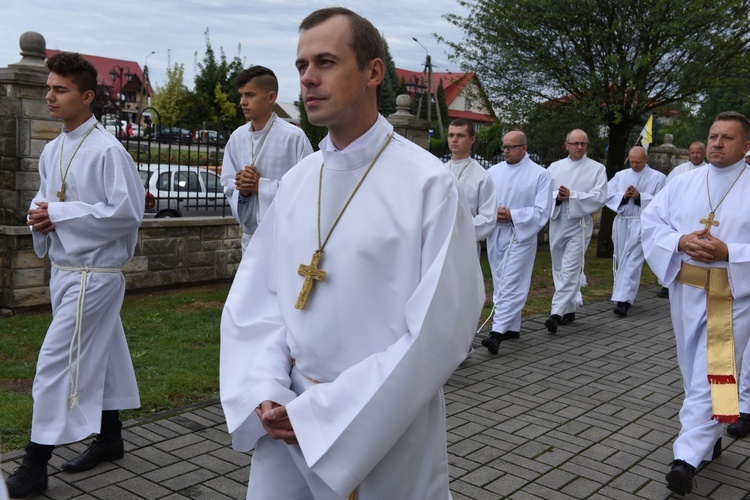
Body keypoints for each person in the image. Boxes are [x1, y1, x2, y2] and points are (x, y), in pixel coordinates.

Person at [219, 7, 484, 499]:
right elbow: (258, 302)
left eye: (325, 62)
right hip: (286, 417)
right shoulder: (298, 182)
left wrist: (323, 416)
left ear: (373, 73)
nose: (309, 79)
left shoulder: (428, 185)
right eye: (301, 66)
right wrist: (265, 390)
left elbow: (438, 333)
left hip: (383, 424)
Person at [4, 52, 144, 498]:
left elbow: (126, 213)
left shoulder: (107, 149)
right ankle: (111, 437)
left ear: (86, 97)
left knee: (54, 363)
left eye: (59, 89)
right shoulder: (53, 148)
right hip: (65, 269)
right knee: (103, 353)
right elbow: (43, 200)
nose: (49, 96)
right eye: (47, 87)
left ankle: (34, 463)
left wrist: (58, 215)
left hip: (93, 274)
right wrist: (40, 217)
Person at [641, 111, 750, 496]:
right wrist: (680, 242)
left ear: (746, 145)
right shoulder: (683, 182)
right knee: (692, 370)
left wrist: (729, 251)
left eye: (728, 138)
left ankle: (684, 460)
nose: (718, 143)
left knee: (713, 371)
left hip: (731, 294)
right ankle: (712, 434)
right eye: (714, 135)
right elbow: (652, 224)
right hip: (686, 291)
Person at [220, 65, 313, 253]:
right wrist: (243, 190)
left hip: (284, 240)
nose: (242, 102)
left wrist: (260, 187)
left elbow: (308, 190)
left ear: (271, 97)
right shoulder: (237, 138)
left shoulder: (294, 138)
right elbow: (228, 185)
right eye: (241, 95)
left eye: (250, 95)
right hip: (250, 240)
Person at [481, 131, 552, 354]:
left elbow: (543, 210)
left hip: (520, 235)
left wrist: (513, 215)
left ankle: (496, 333)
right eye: (504, 147)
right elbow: (483, 201)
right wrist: (493, 213)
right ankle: (512, 327)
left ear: (524, 148)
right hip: (496, 234)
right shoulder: (493, 172)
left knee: (512, 282)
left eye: (511, 147)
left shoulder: (540, 174)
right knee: (500, 280)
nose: (506, 151)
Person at [545, 129, 607, 333]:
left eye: (583, 143)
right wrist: (558, 196)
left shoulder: (597, 168)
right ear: (566, 145)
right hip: (558, 220)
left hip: (579, 223)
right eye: (575, 143)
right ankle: (569, 309)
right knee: (559, 267)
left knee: (571, 268)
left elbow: (599, 197)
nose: (579, 147)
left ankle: (555, 313)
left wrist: (572, 195)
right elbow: (543, 193)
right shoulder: (554, 167)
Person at [605, 146, 665, 317]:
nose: (635, 165)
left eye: (639, 161)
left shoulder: (658, 178)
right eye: (632, 161)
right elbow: (607, 194)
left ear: (647, 159)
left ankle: (623, 302)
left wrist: (640, 197)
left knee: (633, 261)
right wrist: (623, 197)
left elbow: (662, 201)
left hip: (642, 223)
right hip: (623, 222)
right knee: (621, 257)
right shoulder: (621, 176)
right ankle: (623, 295)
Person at [656, 141, 707, 298]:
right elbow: (666, 192)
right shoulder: (679, 171)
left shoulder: (710, 171)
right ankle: (666, 283)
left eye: (698, 152)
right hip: (678, 215)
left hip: (699, 217)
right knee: (674, 247)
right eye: (692, 152)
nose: (695, 155)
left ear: (704, 153)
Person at [444, 118, 496, 254]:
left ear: (472, 140)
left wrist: (457, 226)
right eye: (451, 135)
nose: (454, 139)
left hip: (465, 247)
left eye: (460, 135)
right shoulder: (439, 171)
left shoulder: (482, 176)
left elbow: (488, 219)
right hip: (438, 242)